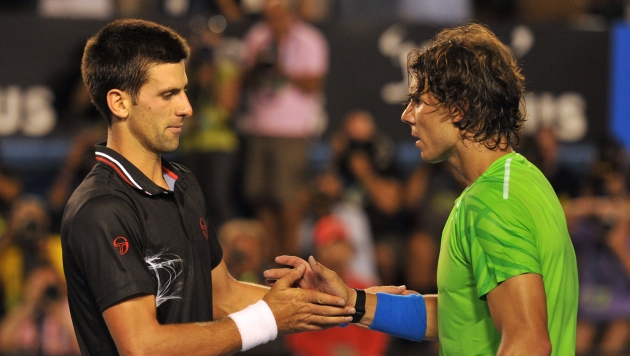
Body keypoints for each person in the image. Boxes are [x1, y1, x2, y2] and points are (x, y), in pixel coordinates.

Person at [265, 23, 579, 355]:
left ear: (459, 109)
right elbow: (461, 315)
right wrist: (352, 302)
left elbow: (527, 342)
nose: (406, 115)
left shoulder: (492, 203)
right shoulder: (521, 181)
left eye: (418, 100)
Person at [61, 19, 357, 355]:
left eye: (184, 90)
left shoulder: (183, 184)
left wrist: (347, 305)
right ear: (120, 103)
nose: (186, 107)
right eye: (169, 94)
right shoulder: (101, 208)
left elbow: (222, 295)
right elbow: (142, 347)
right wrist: (268, 319)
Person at [239, 0, 329, 258]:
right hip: (259, 129)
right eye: (270, 16)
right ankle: (270, 264)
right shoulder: (256, 36)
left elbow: (314, 83)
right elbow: (243, 80)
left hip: (292, 133)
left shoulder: (310, 39)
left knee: (290, 204)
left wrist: (283, 70)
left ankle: (291, 265)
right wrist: (256, 65)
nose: (274, 22)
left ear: (291, 15)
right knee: (261, 199)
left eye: (279, 16)